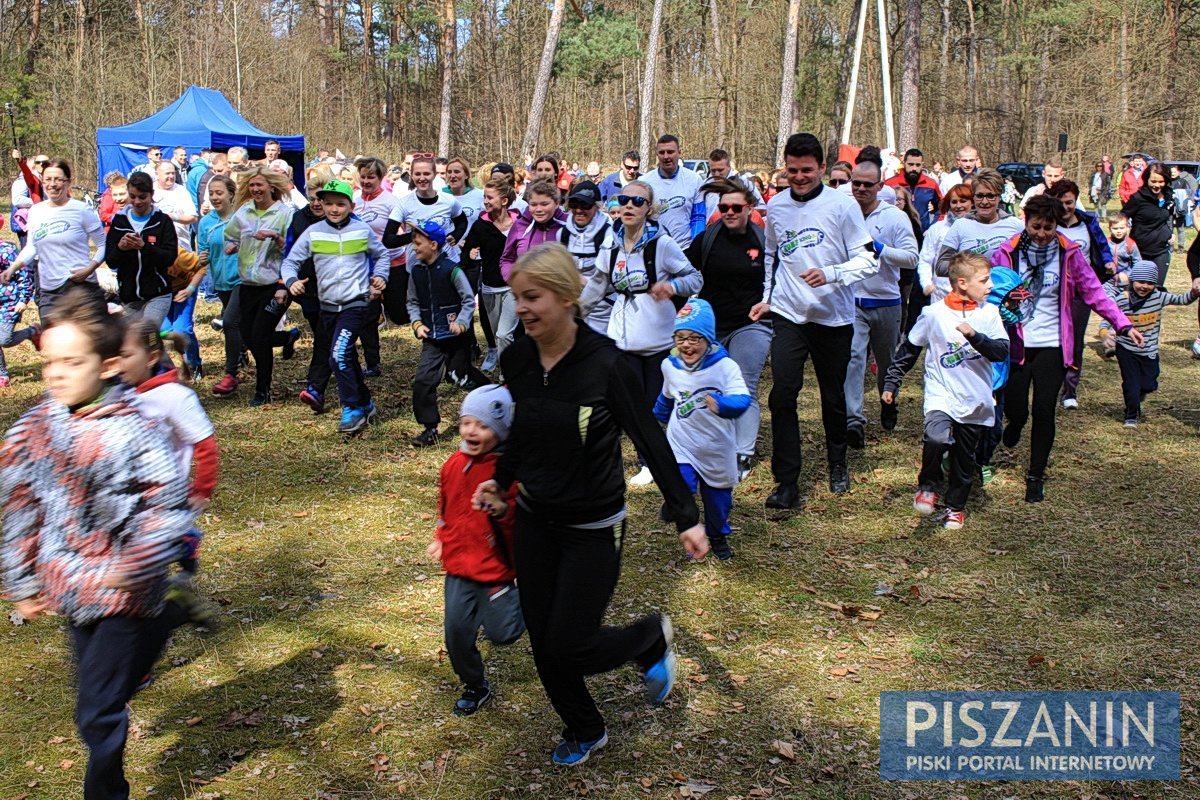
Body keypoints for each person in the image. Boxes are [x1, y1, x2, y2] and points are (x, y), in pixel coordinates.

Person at [472, 243, 707, 766]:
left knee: (572, 643)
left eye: (532, 298)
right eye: (517, 298)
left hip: (593, 527)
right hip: (534, 518)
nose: (523, 309)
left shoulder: (607, 364)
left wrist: (686, 517)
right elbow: (524, 431)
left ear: (565, 297)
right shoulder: (517, 358)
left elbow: (650, 439)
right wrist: (501, 482)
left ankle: (648, 637)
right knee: (544, 642)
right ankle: (585, 727)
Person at [0, 286, 195, 800]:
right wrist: (21, 579)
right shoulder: (31, 430)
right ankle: (171, 614)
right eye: (48, 363)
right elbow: (16, 504)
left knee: (96, 709)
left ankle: (106, 792)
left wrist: (137, 563)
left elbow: (168, 507)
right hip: (71, 588)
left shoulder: (138, 430)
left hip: (125, 591)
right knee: (101, 685)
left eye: (71, 361)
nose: (56, 373)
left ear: (108, 365)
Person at [750, 133, 877, 508]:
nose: (800, 177)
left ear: (822, 168)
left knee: (832, 397)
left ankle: (838, 462)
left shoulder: (843, 207)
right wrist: (767, 299)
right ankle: (786, 481)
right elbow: (772, 257)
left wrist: (832, 273)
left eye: (807, 170)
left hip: (833, 318)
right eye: (792, 171)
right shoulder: (777, 207)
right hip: (790, 315)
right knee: (782, 395)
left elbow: (868, 259)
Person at [991, 194, 1142, 502]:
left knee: (1045, 409)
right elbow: (988, 291)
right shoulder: (1006, 253)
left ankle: (1035, 474)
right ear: (1025, 221)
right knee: (1017, 408)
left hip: (1054, 345)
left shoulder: (1069, 253)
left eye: (1049, 227)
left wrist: (1122, 323)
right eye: (1036, 226)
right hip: (1016, 343)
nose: (1042, 234)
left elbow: (1095, 293)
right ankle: (1015, 424)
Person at [581, 179, 703, 486]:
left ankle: (661, 460)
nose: (629, 206)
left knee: (654, 406)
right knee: (626, 405)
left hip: (658, 339)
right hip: (622, 338)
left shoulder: (662, 244)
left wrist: (671, 286)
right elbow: (597, 283)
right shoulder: (611, 243)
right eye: (624, 200)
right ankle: (643, 460)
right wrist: (574, 314)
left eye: (638, 202)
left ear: (649, 208)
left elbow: (694, 279)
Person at [882, 252, 1010, 529]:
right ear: (962, 283)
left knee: (964, 459)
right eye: (985, 280)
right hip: (942, 393)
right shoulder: (934, 313)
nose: (990, 286)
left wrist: (975, 337)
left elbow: (1001, 352)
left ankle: (955, 507)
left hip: (976, 398)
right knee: (936, 437)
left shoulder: (989, 313)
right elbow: (909, 350)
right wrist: (892, 382)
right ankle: (928, 486)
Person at [426, 384, 526, 717]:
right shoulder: (453, 464)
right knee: (455, 633)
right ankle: (475, 684)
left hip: (494, 568)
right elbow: (446, 504)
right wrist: (441, 535)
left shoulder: (506, 475)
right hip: (458, 567)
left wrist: (502, 511)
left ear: (500, 432)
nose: (472, 430)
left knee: (504, 633)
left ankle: (531, 602)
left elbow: (520, 521)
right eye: (468, 421)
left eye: (482, 426)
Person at [118, 319, 219, 590]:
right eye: (114, 355)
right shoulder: (121, 394)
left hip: (166, 497)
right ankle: (181, 544)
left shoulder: (175, 397)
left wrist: (202, 490)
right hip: (130, 494)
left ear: (151, 357)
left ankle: (179, 555)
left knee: (143, 565)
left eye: (126, 356)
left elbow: (205, 444)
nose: (118, 363)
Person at [282, 179, 388, 434]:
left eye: (340, 204)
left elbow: (382, 254)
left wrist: (381, 278)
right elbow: (290, 261)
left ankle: (351, 408)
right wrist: (291, 281)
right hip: (326, 306)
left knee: (337, 355)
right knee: (347, 357)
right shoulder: (314, 232)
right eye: (328, 203)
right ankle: (364, 402)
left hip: (355, 304)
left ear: (351, 206)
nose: (333, 209)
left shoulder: (361, 231)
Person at [687, 178, 771, 481]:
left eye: (736, 207)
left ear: (749, 208)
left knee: (743, 385)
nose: (730, 212)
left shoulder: (762, 241)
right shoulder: (709, 238)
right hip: (713, 326)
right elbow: (684, 268)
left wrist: (770, 304)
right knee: (708, 386)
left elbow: (778, 279)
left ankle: (743, 452)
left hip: (752, 324)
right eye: (724, 207)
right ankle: (709, 444)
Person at [653, 299, 750, 560]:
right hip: (682, 441)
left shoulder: (724, 367)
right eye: (680, 338)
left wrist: (723, 404)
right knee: (680, 482)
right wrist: (655, 417)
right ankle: (684, 519)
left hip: (717, 446)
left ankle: (717, 535)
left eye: (695, 338)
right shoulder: (669, 366)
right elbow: (666, 396)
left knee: (718, 502)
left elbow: (743, 399)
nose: (686, 345)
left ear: (708, 340)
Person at [841, 159, 919, 444]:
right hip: (852, 300)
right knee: (853, 359)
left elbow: (912, 257)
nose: (860, 189)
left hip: (886, 300)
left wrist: (880, 249)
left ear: (879, 186)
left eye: (867, 184)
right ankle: (854, 421)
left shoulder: (895, 218)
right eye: (856, 183)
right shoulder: (844, 212)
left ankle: (888, 400)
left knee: (886, 363)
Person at [382, 156, 468, 374]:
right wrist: (414, 237)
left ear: (434, 175)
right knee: (429, 313)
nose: (422, 178)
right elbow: (388, 238)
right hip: (418, 267)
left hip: (447, 265)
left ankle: (460, 360)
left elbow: (462, 221)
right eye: (417, 174)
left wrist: (454, 236)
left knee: (454, 310)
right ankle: (434, 359)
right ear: (411, 176)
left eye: (426, 174)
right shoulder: (405, 203)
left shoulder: (447, 201)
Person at [223, 166, 298, 406]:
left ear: (271, 187)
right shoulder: (244, 212)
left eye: (260, 185)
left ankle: (262, 390)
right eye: (252, 185)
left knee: (259, 337)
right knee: (249, 335)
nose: (255, 189)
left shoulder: (284, 214)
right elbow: (230, 235)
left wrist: (276, 239)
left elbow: (295, 249)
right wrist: (232, 246)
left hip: (275, 285)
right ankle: (287, 338)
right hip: (247, 284)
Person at [1099, 260, 1200, 427]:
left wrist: (1194, 293)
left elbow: (1182, 300)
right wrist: (1104, 333)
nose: (1144, 286)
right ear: (1132, 282)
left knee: (1149, 384)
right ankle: (1131, 415)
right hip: (1126, 349)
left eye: (1150, 283)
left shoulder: (1158, 297)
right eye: (1140, 282)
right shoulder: (1122, 300)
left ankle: (1138, 397)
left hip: (1149, 350)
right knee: (1131, 384)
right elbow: (1108, 317)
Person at [407, 220, 479, 446]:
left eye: (418, 243)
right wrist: (417, 323)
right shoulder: (415, 272)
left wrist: (461, 322)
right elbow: (412, 302)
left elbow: (469, 300)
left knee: (461, 376)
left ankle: (492, 400)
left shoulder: (452, 270)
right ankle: (430, 428)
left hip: (456, 337)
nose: (414, 247)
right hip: (432, 339)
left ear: (433, 245)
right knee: (422, 381)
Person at [1047, 179, 1114, 409]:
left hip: (1080, 291)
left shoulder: (1088, 222)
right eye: (1060, 202)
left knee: (1075, 340)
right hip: (1052, 290)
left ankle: (1069, 390)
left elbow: (1103, 247)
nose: (1065, 208)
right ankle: (1049, 383)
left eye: (1069, 202)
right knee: (1053, 339)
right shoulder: (1047, 224)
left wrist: (1108, 263)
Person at [6, 158, 106, 313]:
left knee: (91, 337)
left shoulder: (81, 210)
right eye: (48, 179)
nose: (52, 184)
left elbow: (102, 245)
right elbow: (32, 247)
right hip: (49, 291)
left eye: (58, 179)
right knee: (52, 336)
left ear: (68, 182)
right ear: (43, 181)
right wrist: (12, 269)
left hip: (81, 288)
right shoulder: (35, 211)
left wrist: (89, 269)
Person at [104, 171, 178, 326]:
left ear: (151, 194)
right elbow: (111, 261)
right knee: (132, 344)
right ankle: (163, 348)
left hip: (158, 294)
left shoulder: (162, 221)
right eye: (132, 196)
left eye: (142, 197)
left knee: (146, 335)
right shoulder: (119, 221)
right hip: (130, 296)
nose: (137, 201)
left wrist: (144, 247)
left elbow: (170, 258)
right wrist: (121, 248)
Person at [353, 156, 405, 376]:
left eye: (371, 177)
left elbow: (406, 230)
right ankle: (373, 363)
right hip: (365, 267)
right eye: (363, 177)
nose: (366, 181)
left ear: (380, 178)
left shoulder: (391, 202)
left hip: (393, 263)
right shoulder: (354, 199)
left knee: (399, 314)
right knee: (367, 316)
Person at [463, 178, 520, 372]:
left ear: (504, 201)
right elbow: (466, 253)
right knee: (498, 334)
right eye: (484, 198)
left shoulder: (519, 223)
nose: (485, 202)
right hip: (489, 287)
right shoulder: (481, 225)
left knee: (505, 334)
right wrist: (470, 254)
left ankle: (508, 376)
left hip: (513, 287)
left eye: (490, 198)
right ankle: (508, 363)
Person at [199, 175, 246, 397]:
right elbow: (202, 254)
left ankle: (230, 374)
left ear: (231, 194)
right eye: (212, 194)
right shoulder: (206, 222)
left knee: (229, 322)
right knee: (243, 327)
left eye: (219, 193)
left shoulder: (242, 217)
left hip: (243, 280)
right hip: (220, 281)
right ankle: (285, 338)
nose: (215, 197)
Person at [559, 180, 612, 333]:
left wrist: (586, 282)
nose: (579, 210)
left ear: (597, 206)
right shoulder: (563, 234)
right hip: (571, 305)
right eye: (574, 205)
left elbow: (614, 277)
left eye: (585, 205)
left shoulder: (609, 235)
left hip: (603, 307)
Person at [639, 134, 706, 249]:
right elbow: (639, 218)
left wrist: (696, 245)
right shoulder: (644, 182)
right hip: (654, 249)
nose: (666, 156)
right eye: (662, 152)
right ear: (657, 155)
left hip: (685, 248)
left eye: (670, 152)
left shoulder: (694, 180)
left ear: (679, 153)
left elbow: (698, 216)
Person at [499, 178, 568, 282]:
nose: (538, 209)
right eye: (533, 204)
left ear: (557, 203)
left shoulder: (568, 225)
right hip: (527, 291)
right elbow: (507, 259)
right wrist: (513, 280)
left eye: (544, 204)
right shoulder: (520, 226)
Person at [918, 184, 975, 304]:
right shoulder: (937, 229)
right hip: (942, 296)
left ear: (972, 202)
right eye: (954, 202)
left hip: (973, 295)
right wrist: (926, 283)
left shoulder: (980, 227)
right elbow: (925, 259)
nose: (958, 206)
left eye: (963, 201)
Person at [1121, 162, 1172, 286]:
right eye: (1153, 181)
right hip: (1140, 252)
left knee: (1157, 290)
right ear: (1146, 180)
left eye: (1161, 182)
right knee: (1138, 289)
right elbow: (1122, 217)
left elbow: (1167, 218)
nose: (1157, 185)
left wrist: (1169, 232)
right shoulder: (1138, 198)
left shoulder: (1169, 197)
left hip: (1161, 251)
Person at [0, 239, 37, 388]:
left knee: (4, 340)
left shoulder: (6, 251)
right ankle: (2, 374)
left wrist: (23, 299)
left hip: (10, 301)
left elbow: (24, 274)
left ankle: (33, 331)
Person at [885, 148, 942, 231]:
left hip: (923, 235)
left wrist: (933, 227)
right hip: (896, 234)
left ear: (922, 165)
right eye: (910, 164)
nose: (914, 168)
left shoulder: (931, 184)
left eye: (918, 165)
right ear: (903, 163)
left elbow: (943, 208)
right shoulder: (890, 184)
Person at [1169, 164, 1195, 253]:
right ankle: (1170, 246)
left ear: (1178, 172)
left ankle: (1180, 246)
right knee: (1169, 228)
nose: (1172, 174)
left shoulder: (1183, 182)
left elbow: (1189, 193)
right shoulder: (1167, 181)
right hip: (1169, 208)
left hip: (1180, 209)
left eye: (1174, 172)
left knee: (1180, 228)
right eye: (1171, 172)